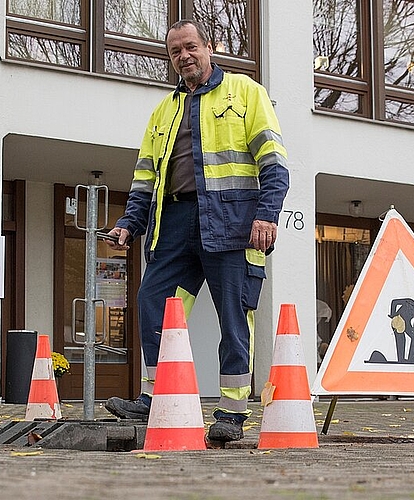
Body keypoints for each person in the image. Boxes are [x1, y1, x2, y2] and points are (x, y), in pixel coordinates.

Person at [103, 20, 289, 442]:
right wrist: (130, 223)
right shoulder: (162, 110)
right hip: (173, 223)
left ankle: (232, 412)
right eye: (175, 52)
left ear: (209, 47)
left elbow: (274, 164)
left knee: (233, 314)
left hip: (234, 224)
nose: (184, 56)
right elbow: (145, 177)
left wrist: (267, 215)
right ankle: (153, 397)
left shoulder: (246, 93)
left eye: (190, 47)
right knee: (155, 302)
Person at [388, 295, 414, 363]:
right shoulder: (408, 302)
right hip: (398, 321)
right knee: (401, 338)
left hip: (407, 325)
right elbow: (394, 302)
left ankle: (411, 358)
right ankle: (401, 359)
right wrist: (393, 314)